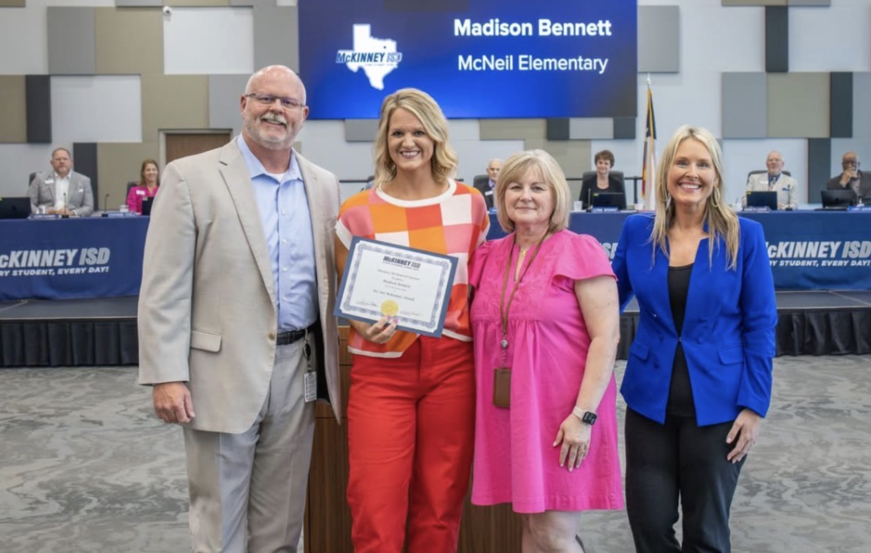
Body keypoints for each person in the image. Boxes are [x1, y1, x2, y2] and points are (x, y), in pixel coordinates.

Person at [137, 65, 342, 553]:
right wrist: (167, 373)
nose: (277, 109)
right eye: (265, 98)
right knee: (219, 524)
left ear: (304, 115)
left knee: (282, 524)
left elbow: (333, 278)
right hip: (219, 374)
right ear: (243, 104)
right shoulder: (190, 177)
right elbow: (163, 285)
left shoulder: (324, 184)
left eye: (289, 103)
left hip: (298, 372)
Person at [335, 88, 489, 552]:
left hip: (453, 368)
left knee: (440, 507)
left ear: (436, 137)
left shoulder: (471, 204)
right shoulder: (356, 210)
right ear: (385, 140)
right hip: (383, 369)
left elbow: (480, 284)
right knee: (373, 505)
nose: (408, 141)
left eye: (418, 131)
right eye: (398, 132)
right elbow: (349, 297)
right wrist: (363, 324)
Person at [611, 125, 777, 553]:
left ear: (716, 175)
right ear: (666, 171)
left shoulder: (746, 236)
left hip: (720, 408)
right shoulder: (637, 231)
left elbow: (760, 325)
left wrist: (755, 405)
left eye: (702, 164)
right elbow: (605, 300)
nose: (692, 172)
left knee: (705, 535)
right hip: (649, 406)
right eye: (682, 162)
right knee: (649, 528)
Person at [469, 149, 624, 552]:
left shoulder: (580, 249)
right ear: (500, 197)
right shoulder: (488, 255)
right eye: (515, 187)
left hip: (563, 416)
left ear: (555, 197)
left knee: (555, 535)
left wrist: (582, 416)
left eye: (537, 187)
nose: (525, 196)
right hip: (510, 413)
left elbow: (607, 337)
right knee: (533, 531)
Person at [27, 148, 94, 216]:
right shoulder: (39, 178)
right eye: (58, 159)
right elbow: (29, 203)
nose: (62, 161)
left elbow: (88, 207)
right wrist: (44, 212)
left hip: (72, 220)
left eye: (65, 159)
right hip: (46, 219)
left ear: (71, 162)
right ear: (52, 163)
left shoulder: (83, 180)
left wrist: (72, 213)